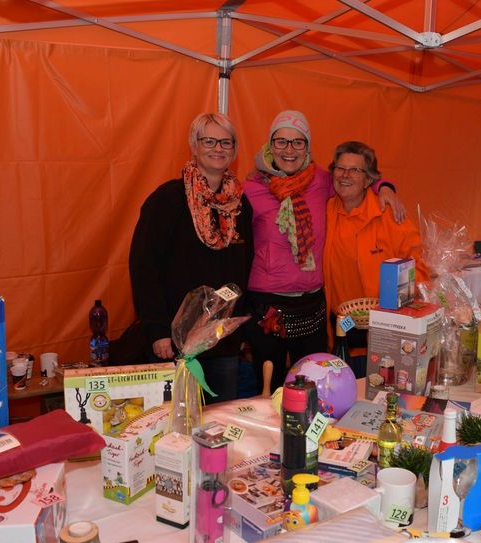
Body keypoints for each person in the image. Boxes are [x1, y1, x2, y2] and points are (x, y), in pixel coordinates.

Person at [242, 110, 406, 392]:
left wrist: (384, 186)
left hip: (312, 305)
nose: (289, 150)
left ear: (308, 146)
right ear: (270, 145)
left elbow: (354, 179)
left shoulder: (321, 180)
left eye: (298, 142)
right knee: (270, 387)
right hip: (267, 304)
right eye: (281, 141)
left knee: (316, 387)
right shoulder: (250, 188)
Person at [127, 112, 253, 404]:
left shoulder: (240, 205)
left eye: (226, 142)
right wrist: (157, 331)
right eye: (209, 141)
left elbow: (245, 266)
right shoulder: (167, 199)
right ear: (194, 146)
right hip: (174, 343)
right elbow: (143, 268)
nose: (218, 148)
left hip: (223, 342)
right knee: (178, 422)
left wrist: (239, 329)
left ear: (235, 150)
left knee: (220, 420)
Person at [324, 141, 430, 376]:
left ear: (368, 180)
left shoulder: (390, 215)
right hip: (340, 331)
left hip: (383, 334)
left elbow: (419, 269)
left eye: (355, 170)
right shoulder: (327, 210)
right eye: (340, 168)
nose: (345, 175)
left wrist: (399, 313)